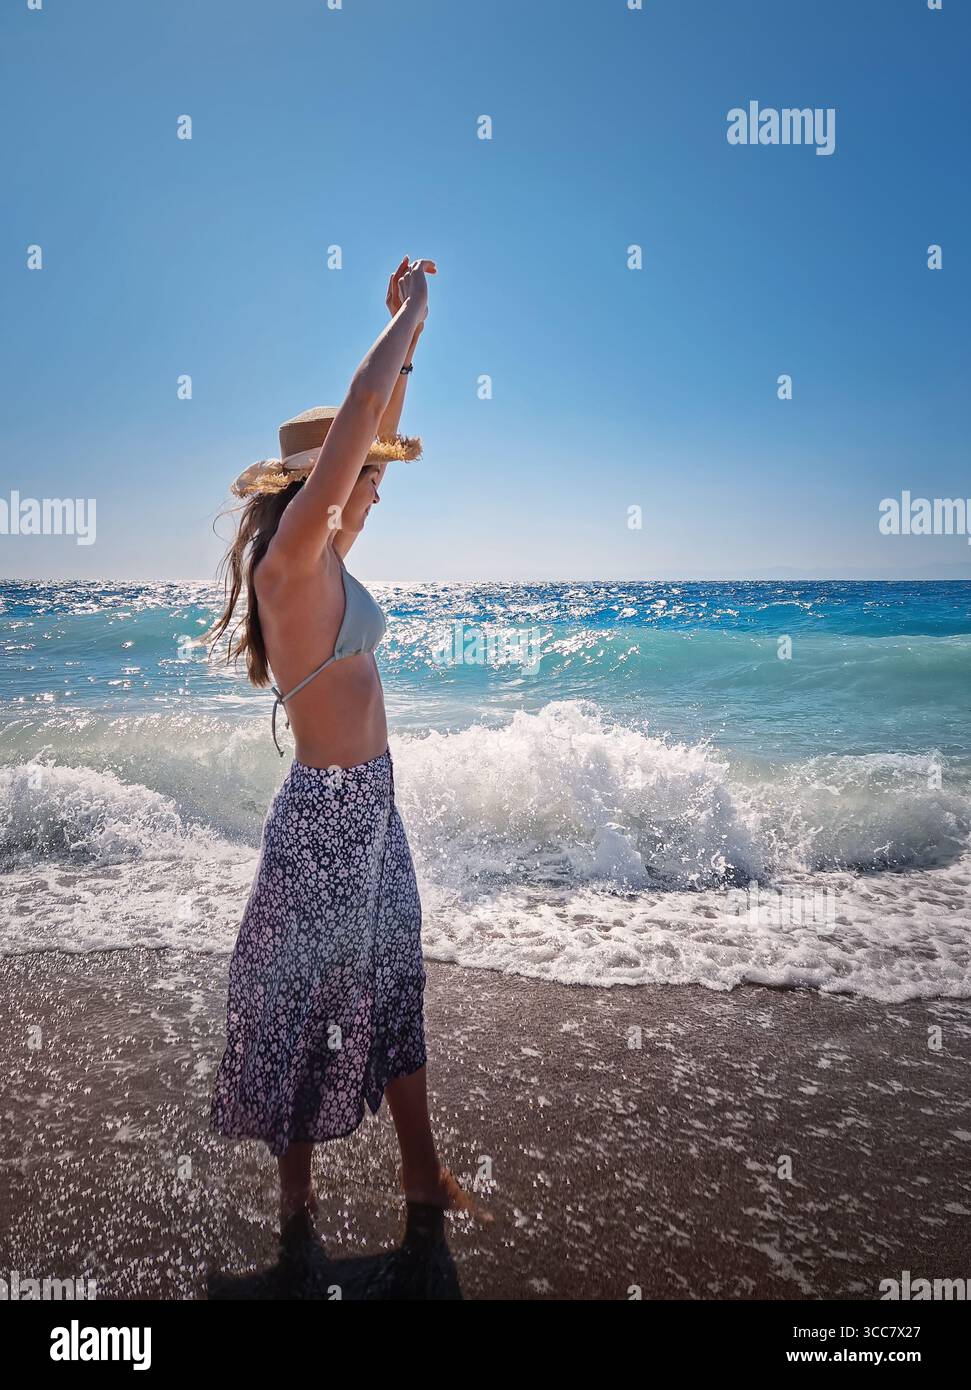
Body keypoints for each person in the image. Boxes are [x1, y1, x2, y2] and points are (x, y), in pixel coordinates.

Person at [207, 257, 476, 1233]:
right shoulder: (292, 566)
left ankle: (418, 1171)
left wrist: (416, 339)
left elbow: (380, 420)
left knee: (395, 979)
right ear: (324, 483)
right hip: (327, 821)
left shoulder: (322, 561)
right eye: (364, 479)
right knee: (302, 1009)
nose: (377, 491)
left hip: (374, 814)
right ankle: (294, 1199)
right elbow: (363, 407)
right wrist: (407, 316)